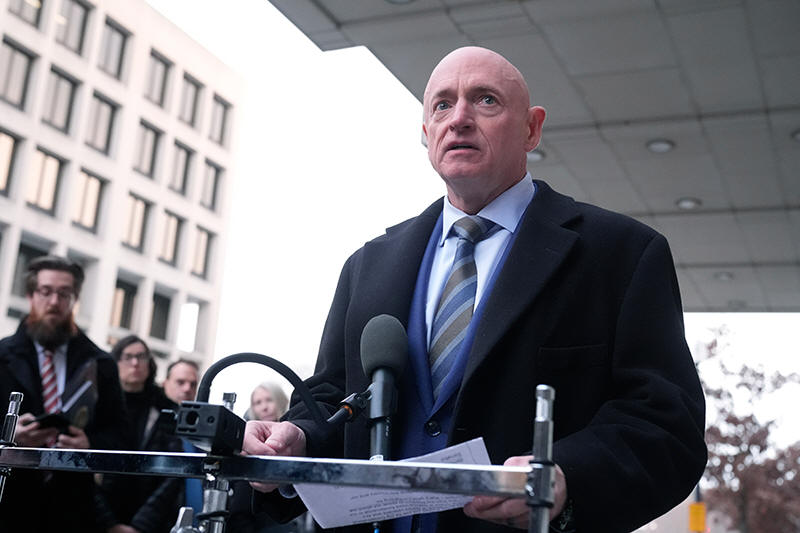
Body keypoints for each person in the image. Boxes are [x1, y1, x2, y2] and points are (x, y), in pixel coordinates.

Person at [242, 47, 707, 533]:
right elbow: (331, 397)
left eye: (485, 100)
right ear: (426, 133)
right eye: (442, 105)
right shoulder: (367, 265)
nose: (459, 119)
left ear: (531, 129)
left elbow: (664, 425)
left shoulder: (619, 255)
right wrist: (295, 437)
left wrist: (566, 478)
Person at [0, 256, 130, 533]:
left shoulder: (101, 363)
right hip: (9, 501)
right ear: (31, 296)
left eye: (64, 294)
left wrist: (89, 443)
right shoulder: (1, 356)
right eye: (46, 291)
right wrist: (10, 436)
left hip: (74, 507)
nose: (54, 302)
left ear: (74, 299)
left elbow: (121, 434)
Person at [96, 335, 183, 533]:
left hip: (149, 519)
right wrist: (109, 523)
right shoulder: (99, 403)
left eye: (141, 357)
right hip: (103, 517)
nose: (135, 363)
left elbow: (174, 470)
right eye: (128, 357)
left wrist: (141, 525)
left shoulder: (166, 408)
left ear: (150, 363)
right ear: (115, 362)